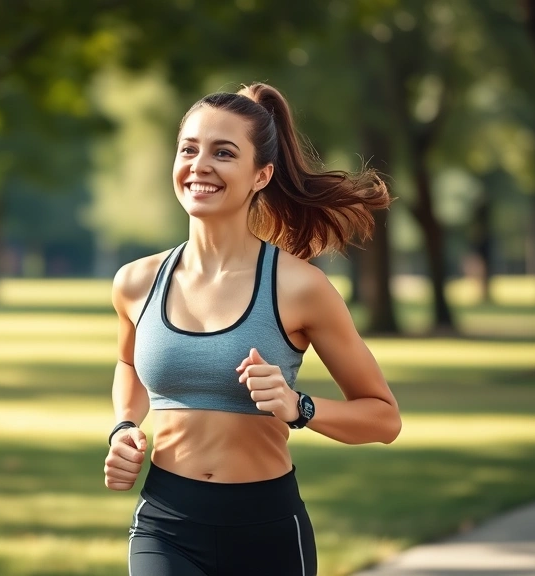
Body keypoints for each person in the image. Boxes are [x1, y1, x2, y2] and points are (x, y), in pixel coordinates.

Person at [103, 82, 401, 576]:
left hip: (268, 530)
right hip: (166, 525)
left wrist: (299, 406)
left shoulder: (300, 288)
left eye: (223, 152)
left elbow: (384, 418)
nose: (200, 165)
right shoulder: (136, 282)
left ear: (261, 174)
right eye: (189, 149)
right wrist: (124, 427)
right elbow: (129, 363)